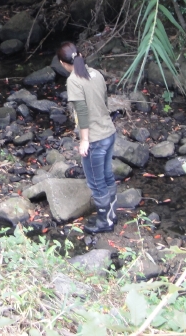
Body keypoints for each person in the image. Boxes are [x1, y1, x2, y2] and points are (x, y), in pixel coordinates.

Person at [57, 41, 117, 234]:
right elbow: (105, 101)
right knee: (107, 175)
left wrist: (84, 140)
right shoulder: (96, 73)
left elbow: (81, 112)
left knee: (96, 181)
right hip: (109, 132)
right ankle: (111, 214)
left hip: (96, 139)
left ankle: (105, 222)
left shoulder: (74, 80)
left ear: (62, 63)